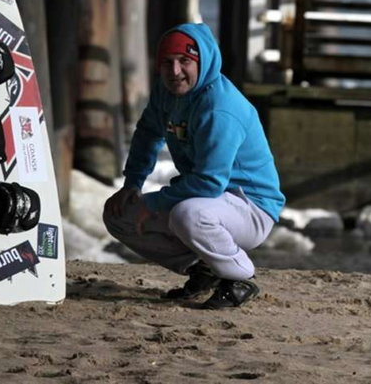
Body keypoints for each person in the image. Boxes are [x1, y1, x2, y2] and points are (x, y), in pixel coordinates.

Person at [103, 23, 285, 309]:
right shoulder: (168, 92)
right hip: (211, 200)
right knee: (119, 214)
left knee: (188, 214)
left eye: (185, 61)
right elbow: (148, 133)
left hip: (251, 207)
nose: (175, 72)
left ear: (203, 61)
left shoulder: (219, 108)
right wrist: (133, 185)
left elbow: (209, 183)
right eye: (167, 62)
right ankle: (205, 270)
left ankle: (239, 277)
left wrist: (151, 203)